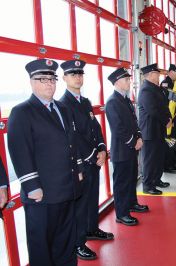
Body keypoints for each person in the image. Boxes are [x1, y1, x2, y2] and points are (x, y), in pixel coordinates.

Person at [8, 59, 83, 266]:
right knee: (42, 244)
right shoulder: (22, 112)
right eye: (43, 79)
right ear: (31, 83)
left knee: (66, 240)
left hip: (67, 188)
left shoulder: (63, 108)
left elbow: (72, 141)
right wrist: (32, 186)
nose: (49, 84)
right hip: (42, 194)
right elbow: (20, 152)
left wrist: (78, 168)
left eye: (52, 79)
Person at [59, 60, 114, 260]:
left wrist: (101, 148)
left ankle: (92, 229)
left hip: (94, 160)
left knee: (92, 199)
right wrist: (92, 155)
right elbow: (72, 135)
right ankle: (78, 243)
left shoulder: (85, 102)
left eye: (80, 74)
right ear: (64, 78)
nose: (78, 78)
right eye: (73, 75)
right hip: (81, 163)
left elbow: (95, 128)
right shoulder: (64, 104)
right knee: (80, 206)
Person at [105, 67, 148, 226]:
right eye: (126, 79)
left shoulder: (125, 99)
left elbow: (134, 122)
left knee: (131, 179)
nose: (129, 81)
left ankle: (132, 203)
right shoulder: (112, 102)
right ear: (117, 82)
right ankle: (121, 214)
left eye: (129, 79)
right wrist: (133, 141)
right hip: (122, 150)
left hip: (131, 148)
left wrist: (139, 136)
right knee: (121, 183)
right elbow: (118, 129)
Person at [138, 63, 172, 195]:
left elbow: (164, 106)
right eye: (157, 74)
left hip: (158, 129)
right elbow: (152, 110)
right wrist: (166, 121)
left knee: (158, 157)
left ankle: (156, 180)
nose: (158, 76)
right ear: (151, 75)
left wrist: (169, 118)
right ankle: (147, 185)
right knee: (150, 159)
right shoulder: (146, 89)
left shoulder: (155, 88)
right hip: (150, 131)